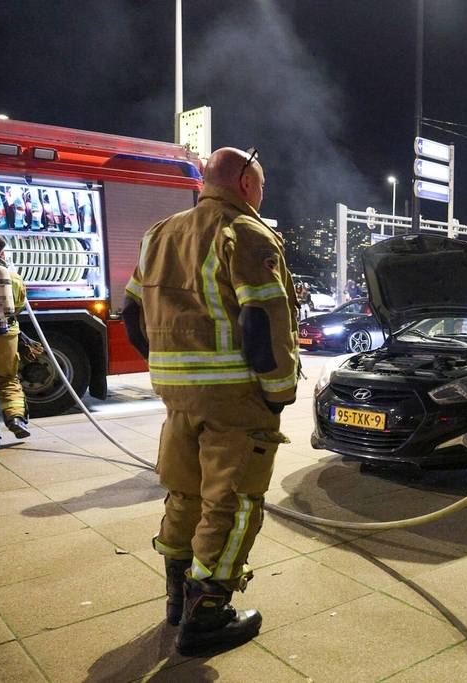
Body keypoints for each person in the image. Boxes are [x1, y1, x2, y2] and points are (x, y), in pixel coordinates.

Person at [122, 147, 299, 657]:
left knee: (185, 495)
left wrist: (169, 368)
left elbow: (131, 314)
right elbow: (261, 320)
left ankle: (178, 602)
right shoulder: (246, 232)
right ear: (245, 182)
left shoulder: (160, 233)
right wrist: (278, 393)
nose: (262, 197)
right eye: (261, 186)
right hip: (235, 400)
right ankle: (207, 616)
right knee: (235, 502)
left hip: (178, 400)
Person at [0, 233, 32, 445]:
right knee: (7, 379)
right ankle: (15, 418)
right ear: (2, 253)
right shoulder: (12, 277)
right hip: (7, 335)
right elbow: (19, 306)